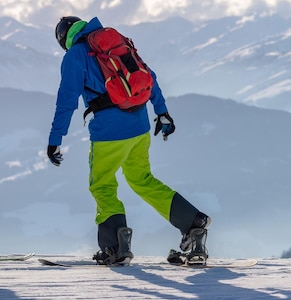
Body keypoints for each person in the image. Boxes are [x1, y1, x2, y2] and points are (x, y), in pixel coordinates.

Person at [47, 16, 210, 266]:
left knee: (102, 185)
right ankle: (192, 222)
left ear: (63, 39)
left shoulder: (75, 55)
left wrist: (55, 139)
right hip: (140, 125)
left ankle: (115, 246)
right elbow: (148, 77)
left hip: (109, 133)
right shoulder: (116, 43)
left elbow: (66, 101)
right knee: (142, 179)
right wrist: (162, 112)